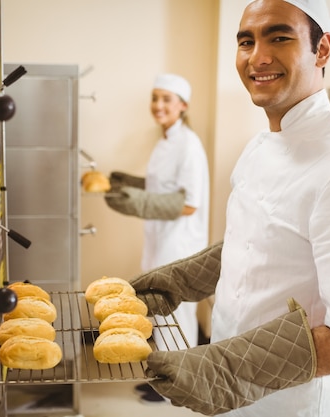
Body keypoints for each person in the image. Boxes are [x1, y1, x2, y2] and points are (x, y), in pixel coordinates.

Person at [126, 1, 330, 416]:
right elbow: (255, 243)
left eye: (279, 37)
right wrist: (178, 282)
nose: (258, 57)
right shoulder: (259, 148)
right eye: (246, 41)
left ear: (322, 50)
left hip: (291, 403)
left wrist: (225, 369)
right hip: (233, 394)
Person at [104, 74, 210, 403]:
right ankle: (162, 378)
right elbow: (161, 187)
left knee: (177, 314)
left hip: (179, 242)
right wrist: (127, 182)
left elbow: (189, 203)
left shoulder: (188, 144)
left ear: (183, 106)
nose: (159, 105)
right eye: (155, 98)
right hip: (159, 238)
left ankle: (179, 385)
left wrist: (138, 203)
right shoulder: (164, 139)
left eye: (167, 99)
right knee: (158, 311)